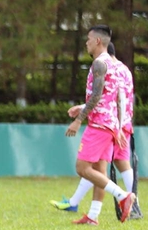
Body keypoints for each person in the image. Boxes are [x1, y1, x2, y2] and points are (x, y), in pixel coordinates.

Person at [51, 42, 140, 220]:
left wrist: (119, 124)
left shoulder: (112, 67)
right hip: (118, 121)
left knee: (103, 164)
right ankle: (91, 213)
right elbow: (112, 99)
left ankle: (129, 200)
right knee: (100, 166)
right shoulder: (125, 70)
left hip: (113, 122)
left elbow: (116, 99)